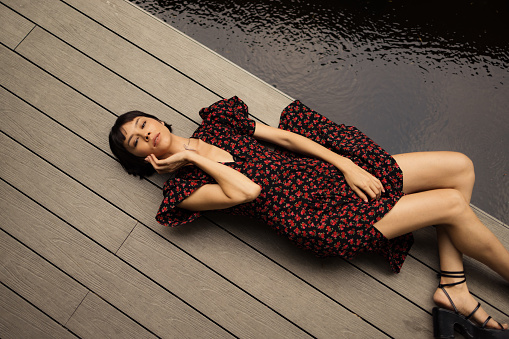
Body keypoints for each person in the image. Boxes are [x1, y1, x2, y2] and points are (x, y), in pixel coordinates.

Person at [109, 96, 508, 338]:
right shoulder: (183, 191)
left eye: (143, 124)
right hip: (315, 219)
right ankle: (455, 292)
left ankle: (452, 288)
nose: (145, 134)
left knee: (459, 167)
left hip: (327, 178)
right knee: (452, 204)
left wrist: (346, 164)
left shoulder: (218, 122)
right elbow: (247, 191)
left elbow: (284, 138)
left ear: (157, 119)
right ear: (141, 159)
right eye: (136, 142)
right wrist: (190, 157)